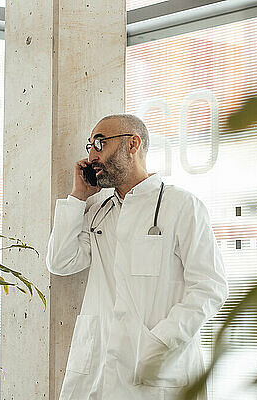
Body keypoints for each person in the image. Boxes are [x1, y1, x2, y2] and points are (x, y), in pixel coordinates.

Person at [46, 114, 227, 400]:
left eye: (99, 143)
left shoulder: (182, 206)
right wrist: (78, 197)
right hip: (98, 368)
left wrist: (158, 342)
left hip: (158, 369)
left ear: (133, 144)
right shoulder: (98, 211)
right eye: (89, 146)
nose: (92, 155)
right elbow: (60, 261)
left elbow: (209, 288)